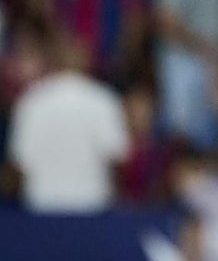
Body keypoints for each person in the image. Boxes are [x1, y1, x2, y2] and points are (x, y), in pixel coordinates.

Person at [7, 32, 130, 213]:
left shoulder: (32, 100)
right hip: (90, 203)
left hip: (44, 204)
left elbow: (19, 163)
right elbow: (118, 158)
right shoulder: (103, 100)